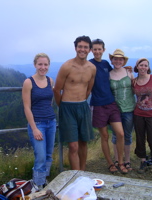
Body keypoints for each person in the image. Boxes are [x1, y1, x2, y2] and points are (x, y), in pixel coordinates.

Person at [53, 35, 96, 170]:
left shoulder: (92, 68)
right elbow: (57, 90)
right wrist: (63, 106)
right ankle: (75, 175)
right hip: (67, 107)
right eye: (80, 47)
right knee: (73, 145)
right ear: (75, 48)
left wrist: (82, 102)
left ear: (89, 50)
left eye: (85, 47)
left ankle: (82, 172)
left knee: (84, 142)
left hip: (83, 106)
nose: (82, 49)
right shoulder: (67, 66)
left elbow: (89, 89)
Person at [89, 39, 128, 174]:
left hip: (111, 103)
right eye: (95, 49)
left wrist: (126, 69)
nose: (97, 51)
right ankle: (111, 163)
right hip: (98, 105)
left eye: (99, 49)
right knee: (104, 136)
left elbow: (116, 73)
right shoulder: (89, 65)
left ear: (103, 50)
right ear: (91, 50)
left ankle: (121, 162)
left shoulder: (106, 63)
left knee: (120, 133)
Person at [22, 53, 56, 189]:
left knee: (48, 154)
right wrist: (34, 128)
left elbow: (50, 102)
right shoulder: (28, 82)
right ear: (35, 65)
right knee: (40, 156)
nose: (43, 67)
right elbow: (26, 107)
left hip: (51, 122)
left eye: (45, 64)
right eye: (40, 64)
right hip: (38, 124)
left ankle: (43, 180)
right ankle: (37, 184)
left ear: (49, 66)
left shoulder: (50, 81)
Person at [109, 49, 136, 171]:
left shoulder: (129, 72)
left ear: (123, 61)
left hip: (129, 108)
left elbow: (135, 87)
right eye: (115, 59)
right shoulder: (108, 74)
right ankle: (116, 159)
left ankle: (127, 160)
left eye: (120, 59)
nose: (118, 61)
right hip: (115, 110)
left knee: (127, 135)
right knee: (116, 135)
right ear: (112, 60)